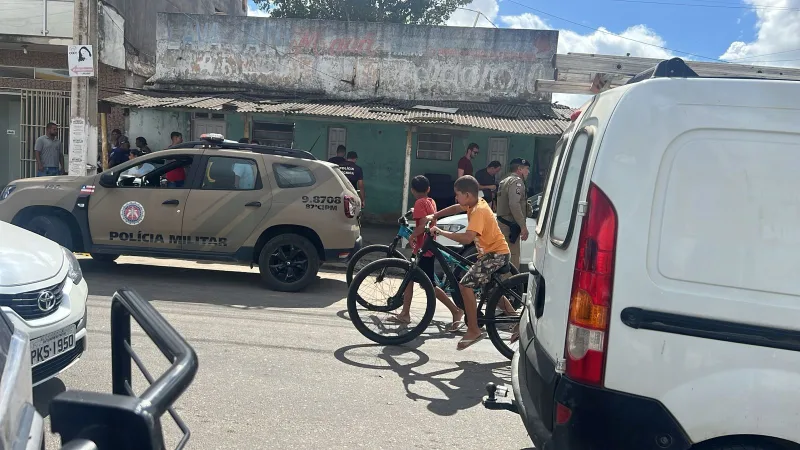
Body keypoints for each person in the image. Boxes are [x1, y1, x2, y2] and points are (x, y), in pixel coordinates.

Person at [428, 175, 511, 350]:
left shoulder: (478, 211)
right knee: (492, 290)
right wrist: (436, 214)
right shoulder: (474, 202)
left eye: (457, 194)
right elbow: (456, 207)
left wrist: (441, 232)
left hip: (495, 255)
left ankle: (473, 329)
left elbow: (467, 238)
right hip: (491, 254)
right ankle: (515, 318)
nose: (456, 198)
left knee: (465, 285)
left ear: (467, 195)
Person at [392, 175, 464, 330]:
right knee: (409, 278)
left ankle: (456, 311)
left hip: (424, 249)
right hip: (423, 247)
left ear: (412, 190)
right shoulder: (430, 201)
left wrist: (412, 235)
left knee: (429, 286)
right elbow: (426, 215)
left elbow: (422, 224)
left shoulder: (419, 203)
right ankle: (405, 313)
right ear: (428, 189)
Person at [496, 158, 531, 270]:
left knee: (503, 259)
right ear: (519, 169)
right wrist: (523, 227)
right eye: (526, 169)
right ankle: (508, 286)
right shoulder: (517, 182)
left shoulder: (504, 181)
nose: (528, 172)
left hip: (503, 224)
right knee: (512, 260)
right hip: (510, 228)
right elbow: (514, 204)